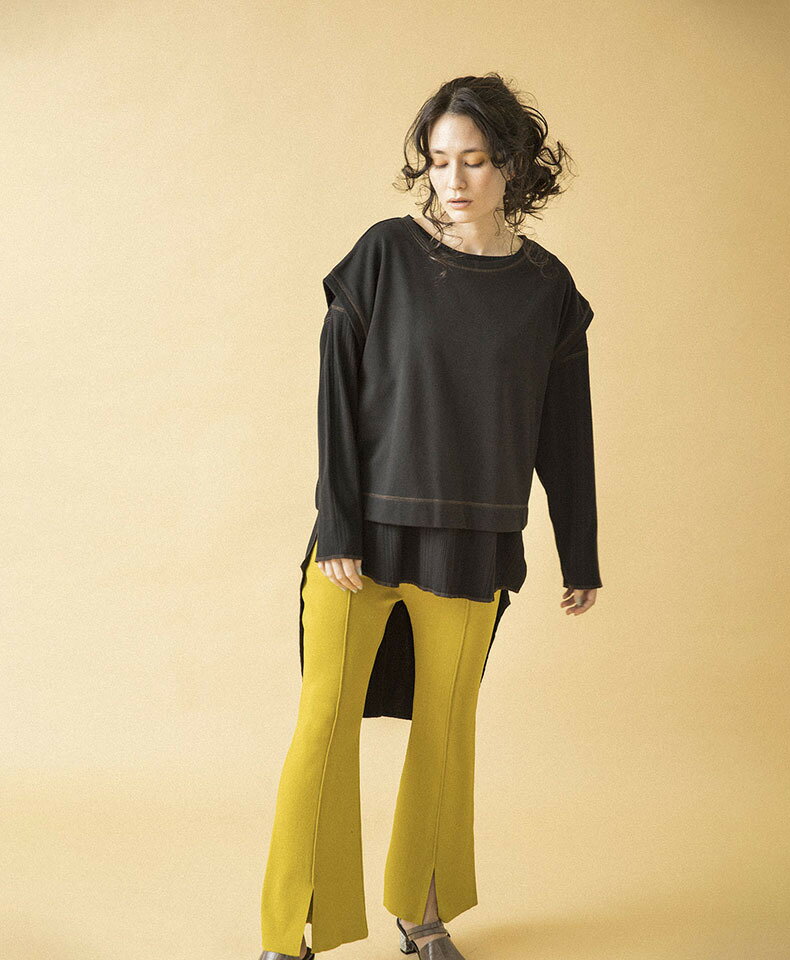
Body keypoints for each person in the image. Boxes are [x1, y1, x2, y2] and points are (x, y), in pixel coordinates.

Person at [258, 72, 603, 960]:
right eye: (440, 161)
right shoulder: (384, 255)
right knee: (321, 728)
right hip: (360, 543)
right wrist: (338, 527)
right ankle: (292, 931)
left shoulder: (547, 290)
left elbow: (565, 434)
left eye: (474, 160)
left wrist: (580, 555)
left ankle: (423, 914)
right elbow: (336, 401)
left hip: (474, 547)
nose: (453, 180)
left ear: (511, 165)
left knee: (447, 738)